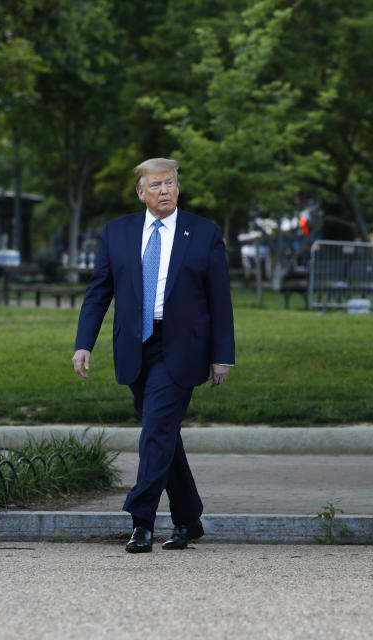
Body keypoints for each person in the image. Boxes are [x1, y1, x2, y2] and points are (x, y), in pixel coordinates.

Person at [72, 158, 235, 554]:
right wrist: (84, 342)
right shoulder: (117, 233)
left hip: (182, 347)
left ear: (178, 188)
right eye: (156, 185)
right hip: (135, 345)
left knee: (156, 432)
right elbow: (99, 292)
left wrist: (222, 356)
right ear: (140, 192)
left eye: (171, 183)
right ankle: (188, 519)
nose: (165, 191)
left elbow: (220, 300)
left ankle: (140, 518)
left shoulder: (204, 233)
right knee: (163, 436)